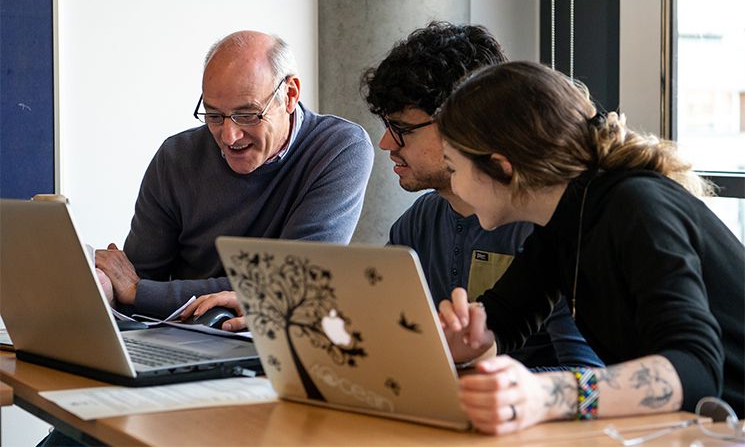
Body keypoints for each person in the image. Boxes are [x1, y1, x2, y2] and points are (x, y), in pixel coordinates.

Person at [436, 61, 745, 434]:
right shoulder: (565, 221)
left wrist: (547, 395)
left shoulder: (637, 207)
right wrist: (474, 339)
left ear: (502, 168)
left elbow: (695, 371)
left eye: (453, 168)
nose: (453, 186)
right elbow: (503, 319)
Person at [360, 22, 602, 369]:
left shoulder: (554, 225)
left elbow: (589, 374)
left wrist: (494, 385)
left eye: (402, 129)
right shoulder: (416, 225)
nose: (385, 144)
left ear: (467, 123)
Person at [95, 31, 374, 329]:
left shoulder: (339, 148)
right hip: (176, 337)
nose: (229, 137)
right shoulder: (176, 157)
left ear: (290, 95)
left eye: (247, 115)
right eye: (214, 116)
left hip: (270, 345)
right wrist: (113, 286)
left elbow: (291, 283)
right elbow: (133, 284)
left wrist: (143, 292)